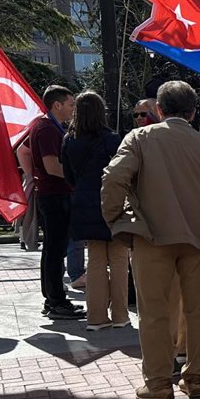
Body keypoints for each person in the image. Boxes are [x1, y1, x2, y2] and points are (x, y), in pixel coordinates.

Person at [101, 80, 200, 399]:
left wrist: (117, 220)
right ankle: (196, 378)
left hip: (152, 237)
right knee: (199, 310)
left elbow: (113, 178)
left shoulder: (139, 138)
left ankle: (159, 383)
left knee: (154, 312)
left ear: (158, 109)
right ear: (192, 112)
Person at [61, 91, 127, 330]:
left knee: (96, 261)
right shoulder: (111, 139)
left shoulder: (69, 139)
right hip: (111, 203)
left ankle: (96, 317)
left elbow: (68, 175)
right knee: (119, 260)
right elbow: (123, 173)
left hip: (82, 204)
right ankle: (120, 315)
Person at [27, 84, 84, 319]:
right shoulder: (47, 128)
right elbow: (51, 166)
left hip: (53, 195)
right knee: (55, 249)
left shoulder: (46, 125)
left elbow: (24, 151)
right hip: (55, 196)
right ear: (57, 105)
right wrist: (77, 175)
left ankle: (53, 298)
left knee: (53, 249)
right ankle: (56, 300)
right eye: (71, 104)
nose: (73, 109)